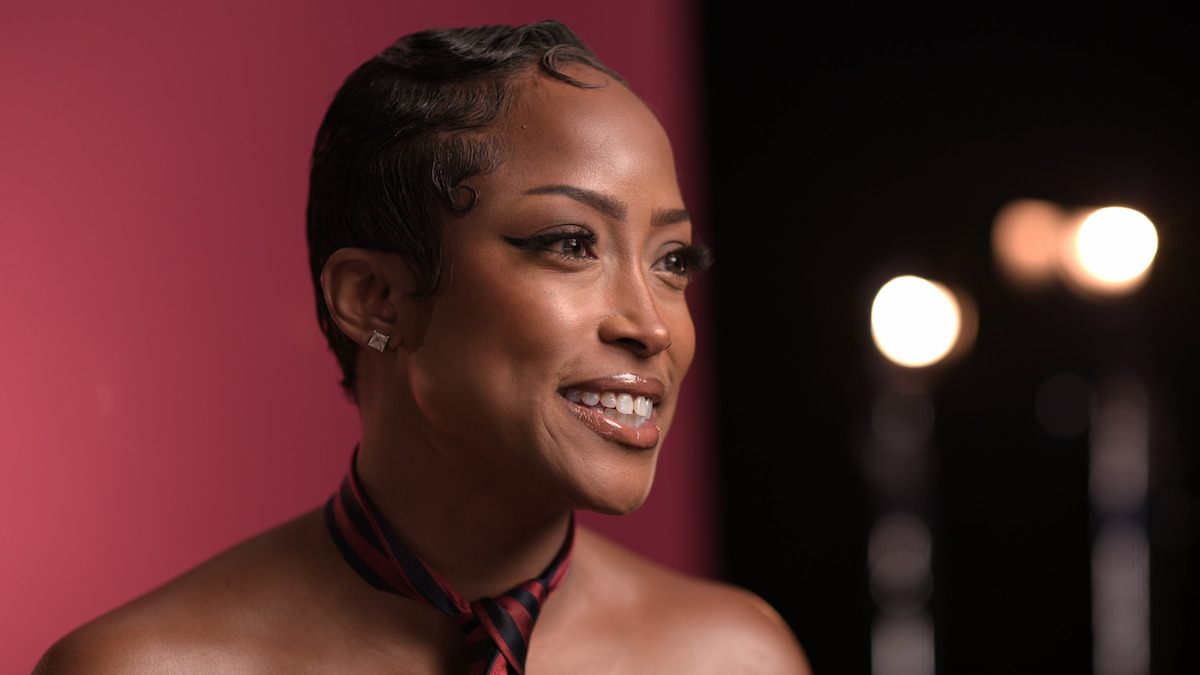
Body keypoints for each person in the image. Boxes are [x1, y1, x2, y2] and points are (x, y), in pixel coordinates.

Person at [35, 20, 810, 673]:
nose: (653, 325)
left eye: (673, 261)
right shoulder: (139, 667)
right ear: (374, 299)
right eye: (570, 243)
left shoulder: (737, 658)